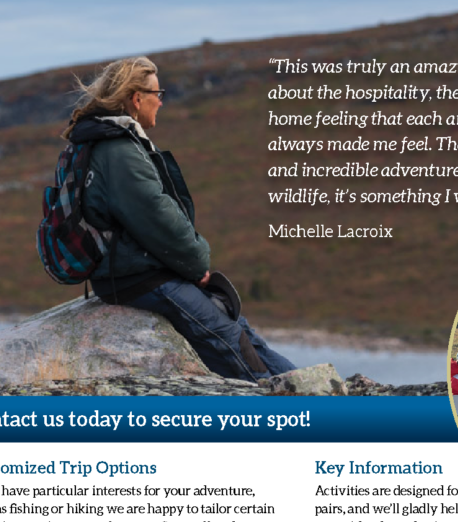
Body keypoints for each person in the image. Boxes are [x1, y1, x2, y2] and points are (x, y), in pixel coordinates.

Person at [62, 57, 296, 383]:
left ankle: (311, 389)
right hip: (135, 277)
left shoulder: (107, 140)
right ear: (136, 98)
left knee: (234, 323)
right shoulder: (117, 149)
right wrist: (197, 263)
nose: (161, 101)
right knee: (224, 336)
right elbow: (156, 217)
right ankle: (284, 401)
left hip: (136, 271)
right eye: (158, 93)